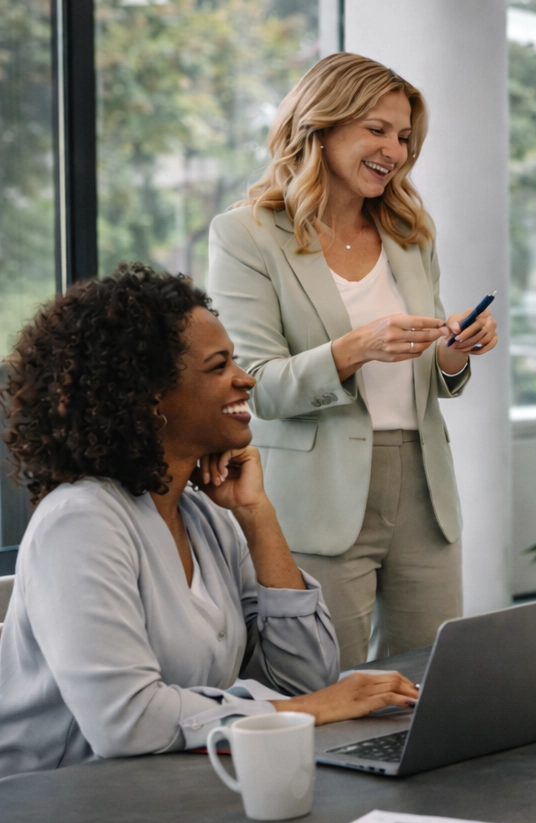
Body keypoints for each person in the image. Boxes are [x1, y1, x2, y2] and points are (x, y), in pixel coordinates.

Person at [0, 265, 421, 779]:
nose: (245, 379)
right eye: (219, 366)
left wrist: (257, 516)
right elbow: (126, 723)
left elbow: (305, 678)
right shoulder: (80, 524)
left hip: (165, 793)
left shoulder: (205, 515)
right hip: (53, 810)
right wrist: (308, 711)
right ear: (148, 397)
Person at [207, 52, 498, 669]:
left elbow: (432, 378)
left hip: (423, 486)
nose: (394, 149)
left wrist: (453, 350)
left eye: (403, 136)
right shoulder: (247, 235)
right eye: (377, 129)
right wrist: (352, 350)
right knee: (325, 681)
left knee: (431, 678)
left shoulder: (409, 232)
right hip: (318, 498)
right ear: (322, 123)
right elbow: (252, 386)